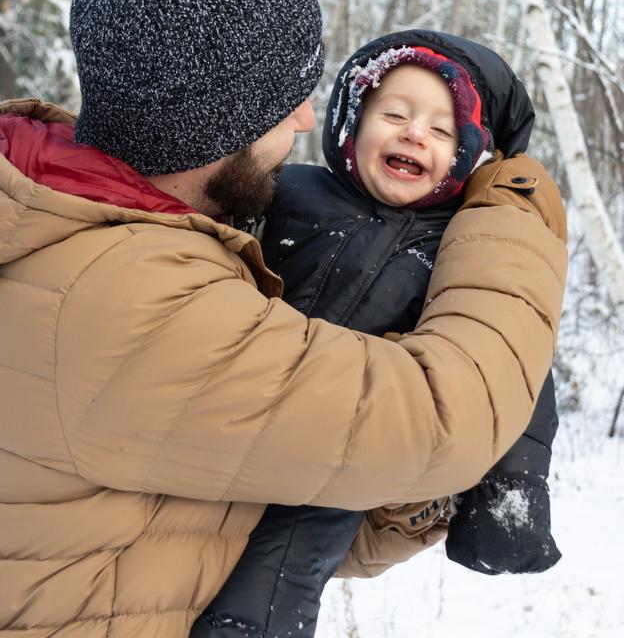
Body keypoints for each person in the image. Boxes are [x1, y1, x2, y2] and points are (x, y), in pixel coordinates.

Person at [0, 0, 567, 638]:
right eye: (283, 100)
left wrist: (389, 505)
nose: (306, 119)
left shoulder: (75, 219)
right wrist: (513, 212)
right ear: (209, 121)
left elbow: (226, 509)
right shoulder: (129, 299)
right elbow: (444, 420)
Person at [192, 31, 562, 638]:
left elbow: (512, 359)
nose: (415, 133)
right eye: (394, 114)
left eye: (443, 131)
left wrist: (512, 485)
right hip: (232, 408)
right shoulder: (285, 189)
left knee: (270, 587)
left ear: (468, 155)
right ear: (349, 122)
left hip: (341, 453)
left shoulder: (456, 246)